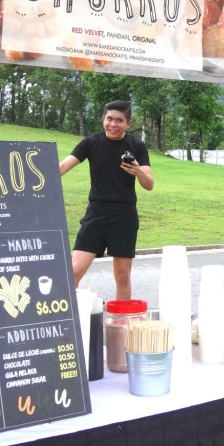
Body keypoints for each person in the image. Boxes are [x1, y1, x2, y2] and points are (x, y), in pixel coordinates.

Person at [60, 100, 154, 299]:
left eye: (119, 120)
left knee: (122, 276)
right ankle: (71, 322)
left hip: (124, 218)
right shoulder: (91, 143)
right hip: (96, 215)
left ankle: (120, 325)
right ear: (103, 119)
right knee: (74, 270)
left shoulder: (137, 146)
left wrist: (138, 171)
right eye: (109, 119)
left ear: (128, 124)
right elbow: (61, 168)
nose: (113, 124)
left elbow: (149, 184)